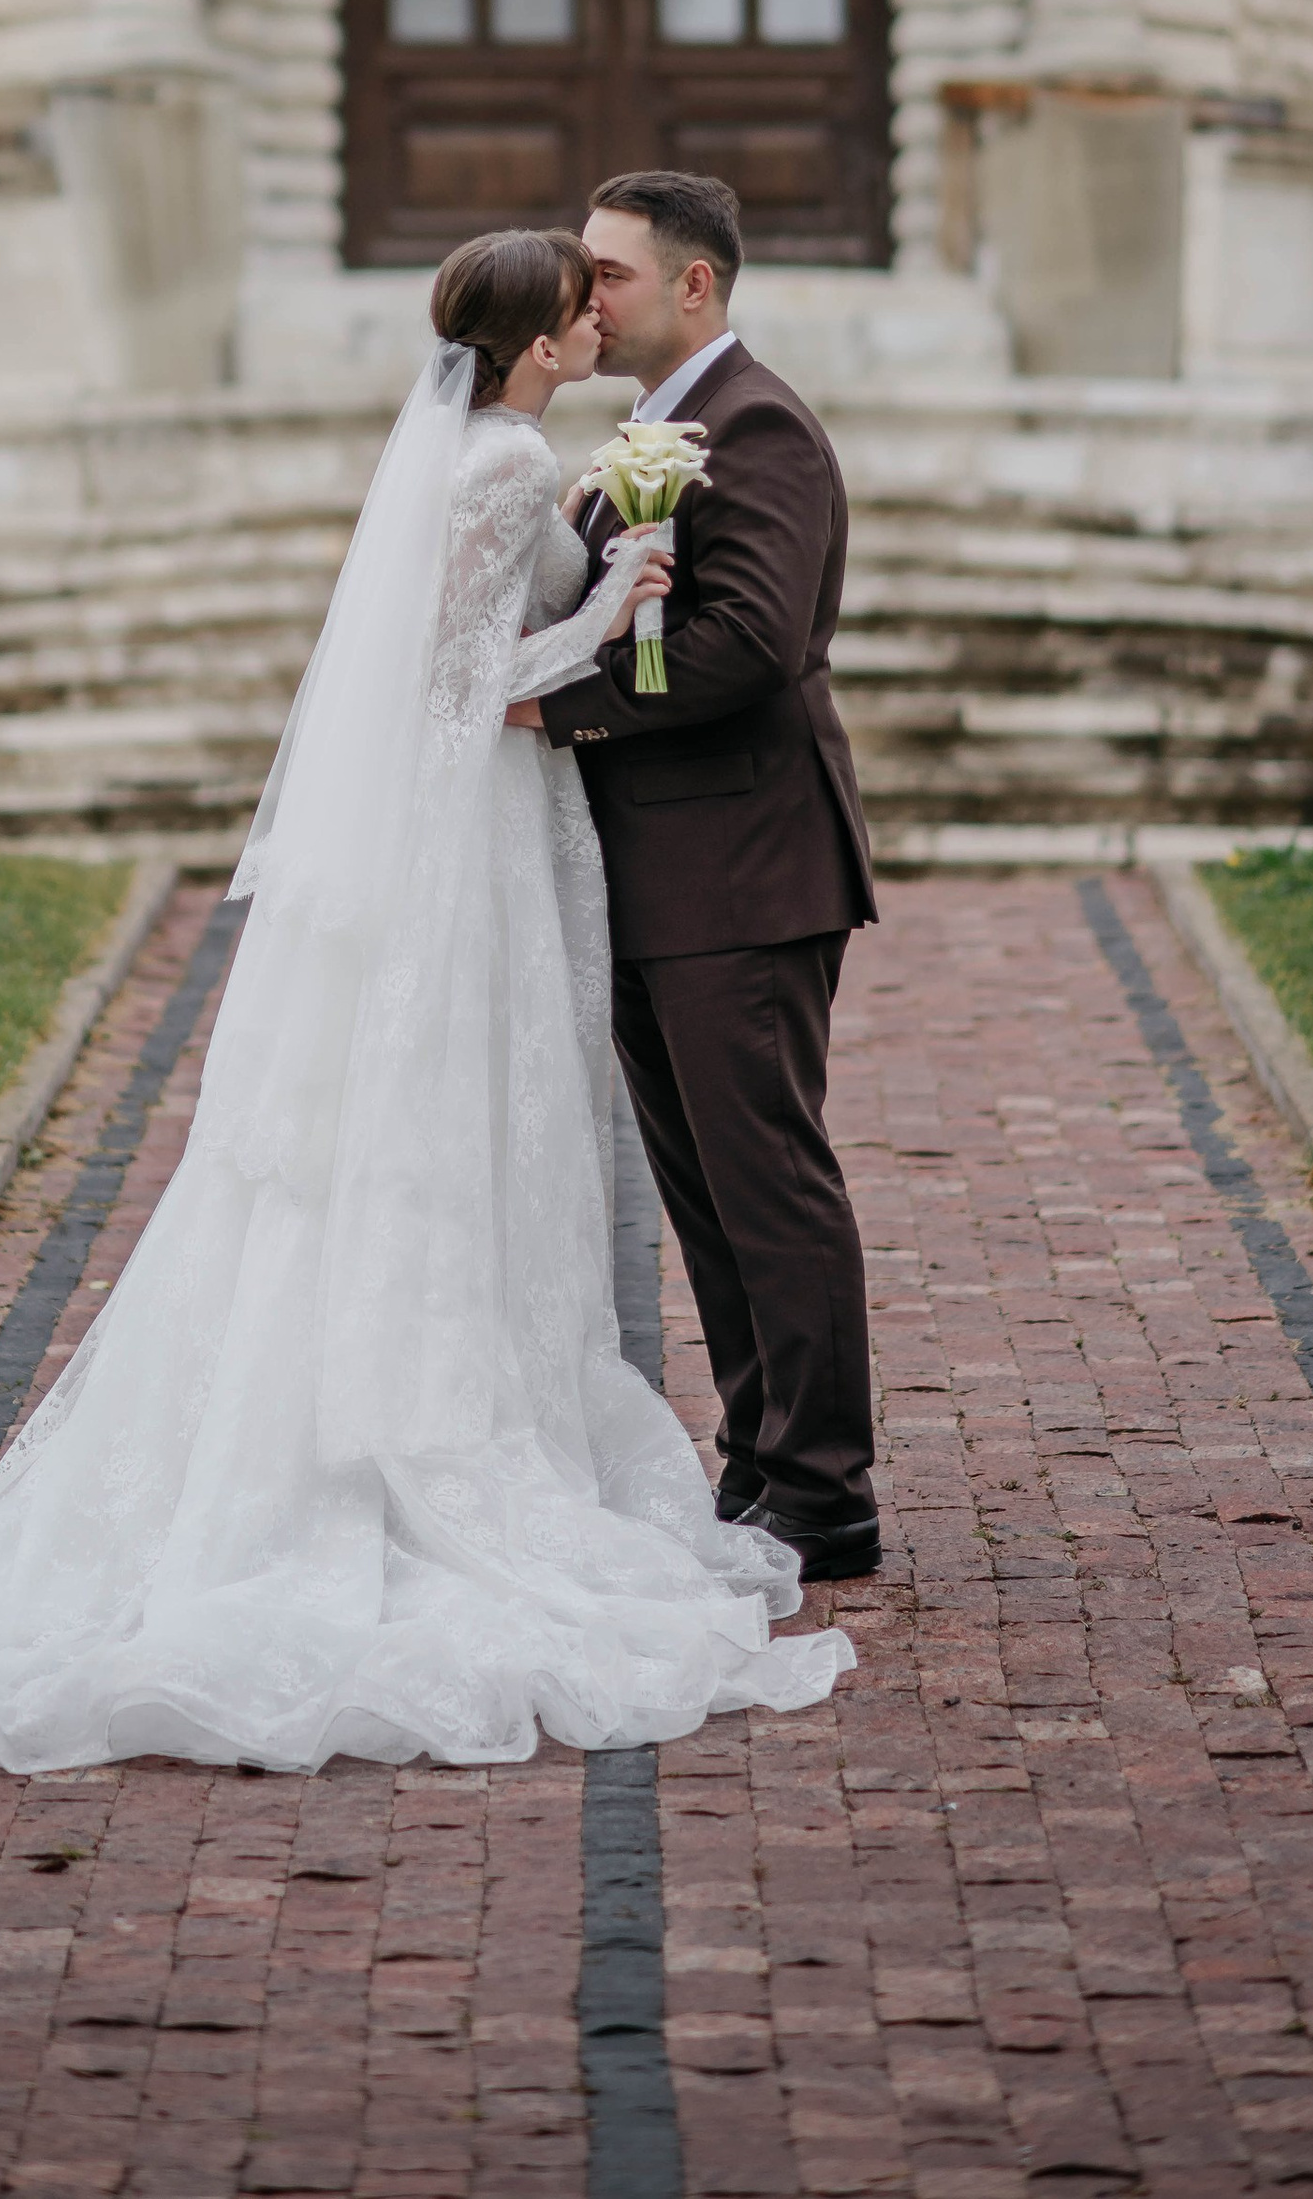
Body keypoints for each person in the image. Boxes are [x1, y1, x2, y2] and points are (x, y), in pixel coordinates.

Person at [0, 227, 855, 1774]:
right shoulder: (515, 461)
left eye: (613, 276)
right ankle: (484, 1449)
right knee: (467, 1129)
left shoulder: (565, 447)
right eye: (577, 294)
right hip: (480, 835)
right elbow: (460, 686)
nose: (597, 308)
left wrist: (598, 623)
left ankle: (768, 1466)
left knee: (498, 1137)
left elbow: (653, 649)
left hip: (545, 837)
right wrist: (601, 621)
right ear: (534, 342)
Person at [512, 171, 881, 1585]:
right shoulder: (646, 433)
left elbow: (751, 643)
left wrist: (561, 706)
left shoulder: (756, 424)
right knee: (705, 1199)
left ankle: (826, 1492)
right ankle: (759, 1461)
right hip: (654, 875)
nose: (584, 296)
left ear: (694, 283)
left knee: (768, 1182)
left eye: (607, 273)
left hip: (744, 868)